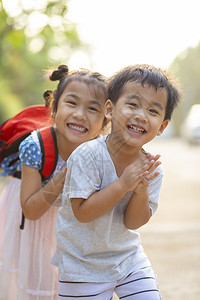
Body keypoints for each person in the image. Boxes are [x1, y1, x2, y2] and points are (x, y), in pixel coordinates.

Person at [52, 64, 181, 300]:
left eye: (153, 111)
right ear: (109, 110)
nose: (141, 115)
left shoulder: (150, 169)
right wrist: (123, 184)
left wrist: (140, 191)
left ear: (162, 126)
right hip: (81, 264)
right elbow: (82, 212)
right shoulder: (87, 155)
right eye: (133, 104)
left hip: (127, 259)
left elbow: (133, 223)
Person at [0, 64, 109, 300]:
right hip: (30, 211)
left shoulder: (101, 154)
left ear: (105, 120)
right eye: (72, 103)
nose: (80, 114)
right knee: (33, 280)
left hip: (69, 218)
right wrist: (66, 174)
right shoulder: (36, 147)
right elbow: (30, 210)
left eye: (93, 108)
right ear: (54, 108)